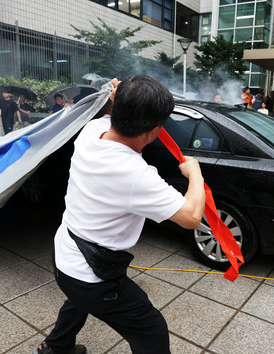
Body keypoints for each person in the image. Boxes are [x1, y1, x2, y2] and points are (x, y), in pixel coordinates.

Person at [35, 75, 205, 354]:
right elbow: (191, 216)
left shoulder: (91, 131)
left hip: (66, 254)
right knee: (151, 330)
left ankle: (55, 348)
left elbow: (108, 114)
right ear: (153, 132)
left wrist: (120, 97)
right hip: (93, 276)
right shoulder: (135, 174)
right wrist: (194, 174)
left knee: (77, 301)